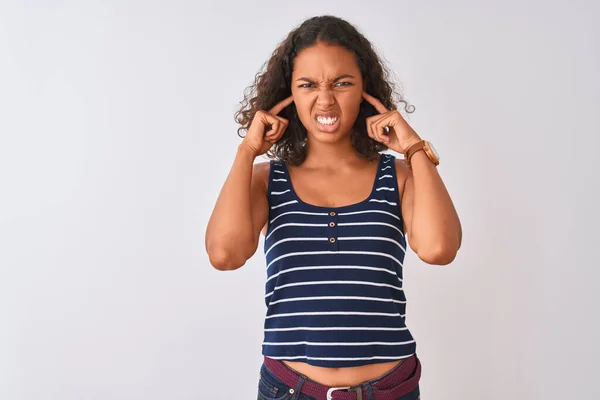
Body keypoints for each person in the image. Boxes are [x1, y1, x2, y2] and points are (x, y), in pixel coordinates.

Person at [205, 14, 462, 400]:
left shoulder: (402, 175)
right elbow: (225, 255)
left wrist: (414, 147)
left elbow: (439, 249)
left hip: (389, 390)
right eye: (308, 85)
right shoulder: (264, 179)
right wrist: (247, 151)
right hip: (289, 390)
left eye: (342, 83)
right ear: (288, 93)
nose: (325, 99)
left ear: (365, 91)